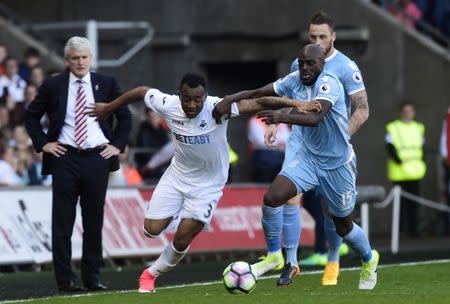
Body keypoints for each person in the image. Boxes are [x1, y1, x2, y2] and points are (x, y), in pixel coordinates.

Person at [85, 72, 321, 293]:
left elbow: (259, 102)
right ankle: (180, 213)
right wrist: (108, 108)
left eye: (197, 100)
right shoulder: (167, 104)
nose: (192, 105)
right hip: (177, 176)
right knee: (150, 231)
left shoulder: (217, 109)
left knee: (182, 238)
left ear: (205, 97)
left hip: (208, 185)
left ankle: (150, 274)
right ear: (179, 95)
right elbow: (141, 91)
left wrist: (295, 103)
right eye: (187, 99)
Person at [213, 44, 379, 290]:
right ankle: (274, 256)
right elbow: (261, 91)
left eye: (310, 63)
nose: (304, 67)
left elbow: (315, 118)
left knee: (343, 225)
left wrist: (281, 118)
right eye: (301, 63)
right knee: (272, 198)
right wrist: (231, 98)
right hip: (309, 159)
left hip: (337, 164)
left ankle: (369, 258)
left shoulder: (329, 83)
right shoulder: (295, 79)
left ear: (322, 64)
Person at [25, 36, 132, 292]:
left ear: (91, 58)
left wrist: (116, 145)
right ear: (66, 60)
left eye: (84, 57)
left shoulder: (106, 83)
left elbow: (125, 116)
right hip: (65, 157)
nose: (81, 62)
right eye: (75, 58)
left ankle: (92, 277)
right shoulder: (53, 85)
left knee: (93, 219)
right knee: (62, 221)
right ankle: (66, 279)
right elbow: (31, 115)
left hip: (97, 158)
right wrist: (43, 144)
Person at [385, 102, 425, 237]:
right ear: (401, 113)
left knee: (414, 204)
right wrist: (399, 160)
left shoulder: (419, 128)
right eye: (405, 111)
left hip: (415, 172)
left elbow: (421, 149)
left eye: (410, 111)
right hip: (399, 172)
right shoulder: (394, 127)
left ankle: (413, 231)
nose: (408, 113)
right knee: (400, 205)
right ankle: (400, 231)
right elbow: (390, 147)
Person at [247, 114, 290, 183]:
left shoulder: (279, 119)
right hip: (263, 155)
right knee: (263, 182)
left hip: (280, 155)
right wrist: (279, 142)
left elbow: (287, 137)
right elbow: (260, 141)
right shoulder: (255, 120)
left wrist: (273, 141)